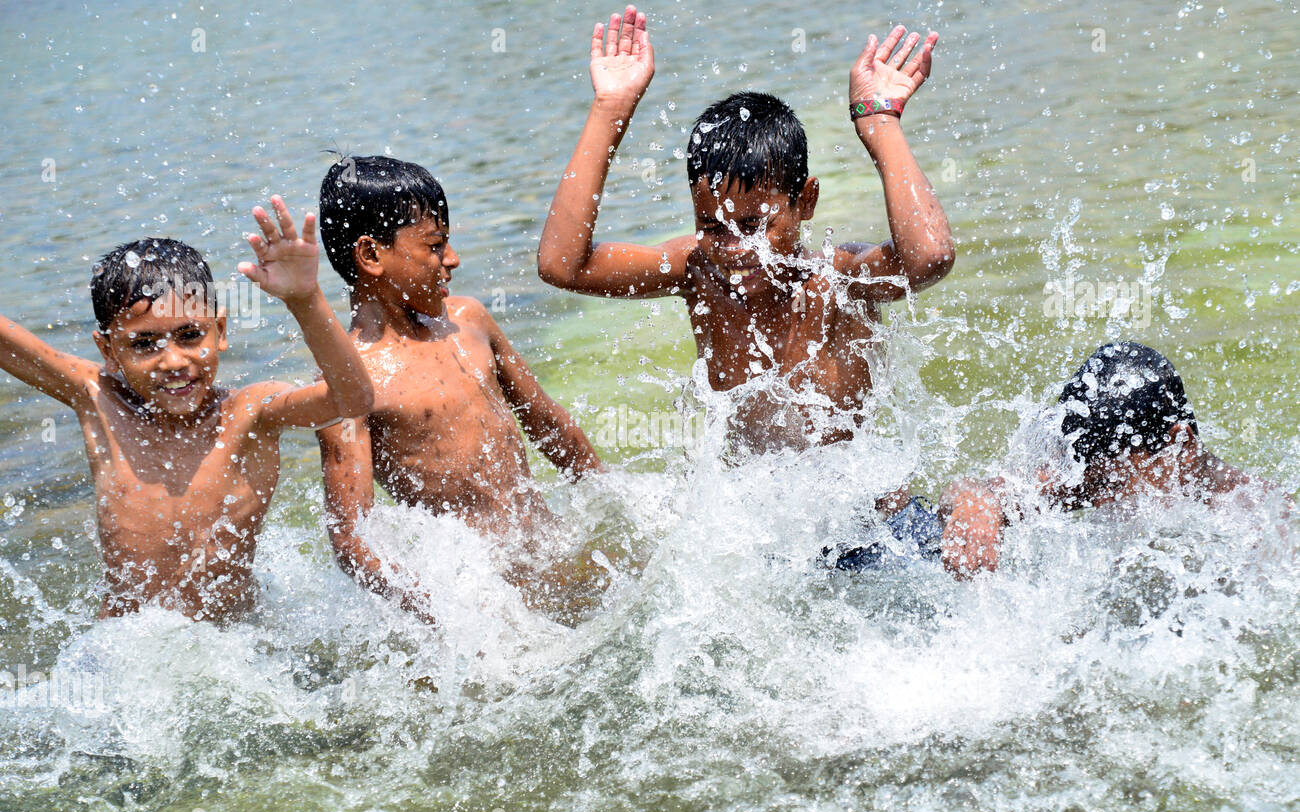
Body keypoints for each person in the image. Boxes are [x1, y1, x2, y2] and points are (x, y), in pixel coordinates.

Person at [537, 6, 954, 471]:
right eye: (712, 227)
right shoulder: (698, 272)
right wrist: (610, 108)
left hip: (865, 525)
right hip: (758, 534)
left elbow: (929, 258)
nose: (734, 249)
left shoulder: (839, 281)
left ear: (806, 201)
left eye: (754, 225)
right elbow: (562, 265)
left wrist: (880, 122)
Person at [0, 199, 374, 621]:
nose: (174, 361)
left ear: (220, 331)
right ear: (108, 351)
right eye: (143, 344)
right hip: (124, 645)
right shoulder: (99, 399)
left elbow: (352, 400)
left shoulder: (248, 414)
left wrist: (305, 299)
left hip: (232, 643)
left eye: (190, 335)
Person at [314, 156, 602, 620]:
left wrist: (608, 497)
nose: (452, 259)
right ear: (371, 256)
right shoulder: (350, 385)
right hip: (481, 601)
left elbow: (549, 424)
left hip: (553, 555)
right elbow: (352, 540)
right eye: (434, 245)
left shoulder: (469, 322)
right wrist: (444, 611)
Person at [939, 341, 1284, 578]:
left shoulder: (1259, 521)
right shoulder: (1097, 474)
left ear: (1180, 445)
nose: (1100, 499)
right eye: (1095, 482)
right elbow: (963, 491)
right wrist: (978, 507)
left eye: (1113, 482)